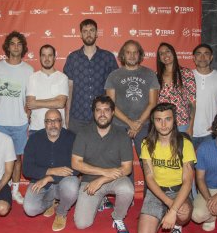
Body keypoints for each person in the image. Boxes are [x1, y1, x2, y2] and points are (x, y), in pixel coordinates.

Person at [72, 95, 134, 233]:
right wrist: (103, 172)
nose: (102, 114)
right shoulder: (83, 133)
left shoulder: (122, 135)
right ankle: (100, 200)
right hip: (90, 181)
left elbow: (127, 168)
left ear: (113, 113)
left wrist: (101, 179)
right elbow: (76, 163)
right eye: (98, 110)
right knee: (82, 224)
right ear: (93, 113)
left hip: (114, 178)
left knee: (127, 188)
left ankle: (118, 218)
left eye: (106, 110)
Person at [137, 103, 196, 233]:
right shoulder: (147, 144)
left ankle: (177, 227)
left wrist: (174, 210)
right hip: (156, 191)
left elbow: (188, 182)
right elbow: (149, 179)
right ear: (153, 122)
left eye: (167, 119)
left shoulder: (185, 143)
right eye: (158, 120)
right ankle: (163, 214)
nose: (163, 124)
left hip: (178, 191)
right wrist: (170, 205)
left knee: (183, 214)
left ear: (174, 120)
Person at [0, 31, 33, 205]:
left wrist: (28, 114)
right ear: (7, 47)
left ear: (23, 47)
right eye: (12, 43)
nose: (16, 46)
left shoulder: (28, 70)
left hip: (19, 123)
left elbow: (30, 97)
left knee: (17, 159)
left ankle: (14, 191)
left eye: (19, 44)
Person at [105, 39, 159, 186]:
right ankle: (127, 196)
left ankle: (151, 199)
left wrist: (138, 123)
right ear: (123, 54)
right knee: (123, 163)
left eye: (135, 52)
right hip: (119, 125)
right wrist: (130, 123)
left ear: (140, 55)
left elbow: (153, 103)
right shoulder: (113, 76)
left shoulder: (149, 74)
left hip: (145, 125)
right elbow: (111, 105)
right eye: (128, 52)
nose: (132, 55)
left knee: (148, 163)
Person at [23, 109, 79, 231]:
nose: (53, 124)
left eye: (56, 121)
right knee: (30, 209)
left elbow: (77, 167)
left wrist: (50, 177)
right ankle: (50, 202)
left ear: (61, 122)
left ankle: (61, 212)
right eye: (49, 121)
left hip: (63, 182)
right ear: (44, 123)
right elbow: (27, 169)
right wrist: (49, 171)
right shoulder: (34, 139)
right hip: (40, 182)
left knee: (72, 187)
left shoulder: (72, 138)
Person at [64, 19, 118, 134]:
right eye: (85, 31)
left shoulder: (108, 57)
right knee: (75, 151)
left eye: (92, 30)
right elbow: (69, 89)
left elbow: (115, 89)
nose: (88, 34)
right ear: (80, 34)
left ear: (97, 33)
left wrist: (112, 114)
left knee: (100, 151)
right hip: (77, 117)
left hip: (101, 117)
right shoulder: (72, 58)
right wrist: (67, 116)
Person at [192, 43, 217, 149]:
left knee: (209, 164)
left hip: (210, 133)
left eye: (206, 54)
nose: (202, 57)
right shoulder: (187, 76)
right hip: (188, 131)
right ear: (194, 58)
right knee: (186, 165)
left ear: (211, 57)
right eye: (199, 54)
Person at [26, 45, 68, 134]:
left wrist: (37, 102)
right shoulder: (32, 78)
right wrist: (54, 100)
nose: (47, 58)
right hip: (36, 128)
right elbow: (30, 104)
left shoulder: (62, 77)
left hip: (58, 128)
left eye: (50, 55)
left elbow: (60, 103)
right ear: (40, 57)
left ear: (54, 57)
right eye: (43, 55)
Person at [156, 42, 196, 136]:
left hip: (181, 125)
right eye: (161, 54)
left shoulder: (186, 73)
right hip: (162, 124)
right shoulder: (156, 76)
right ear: (159, 58)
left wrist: (190, 126)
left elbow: (192, 103)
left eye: (168, 51)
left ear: (173, 53)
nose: (165, 55)